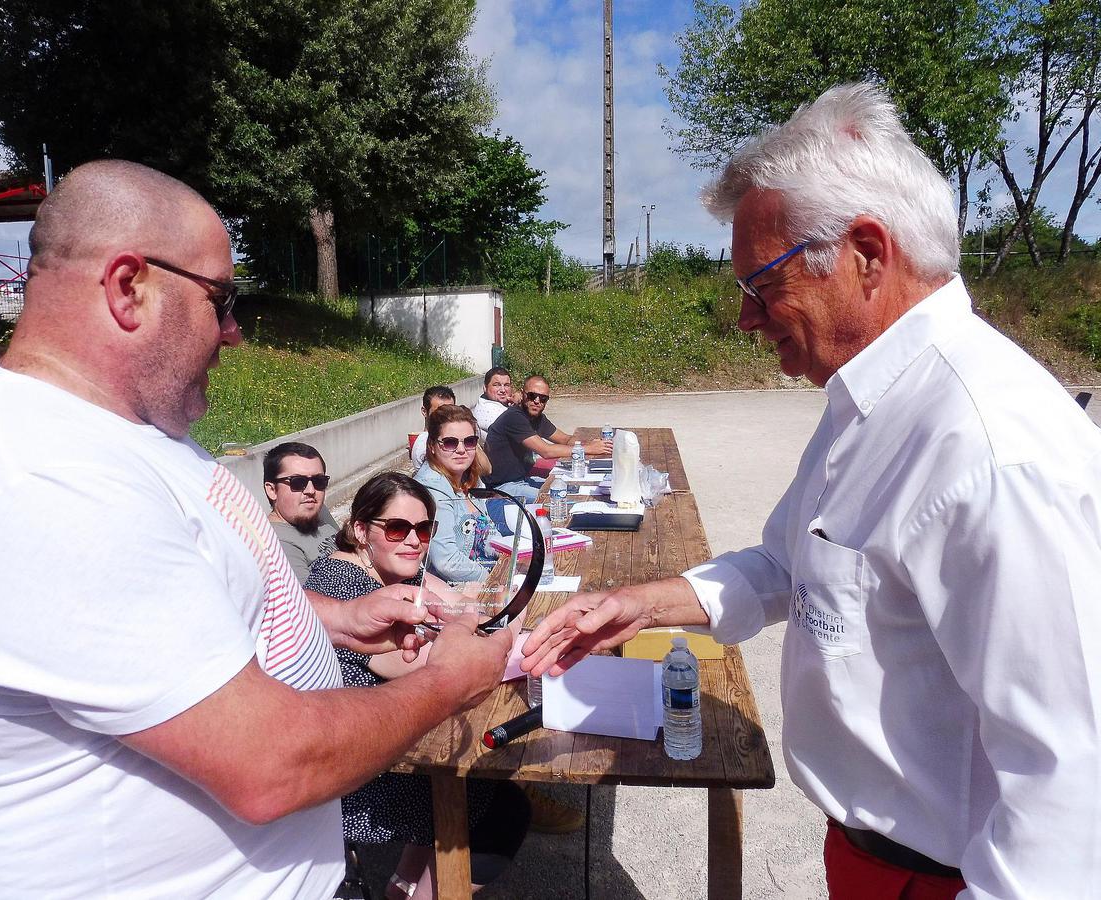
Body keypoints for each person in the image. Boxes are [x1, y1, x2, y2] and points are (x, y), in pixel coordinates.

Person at [522, 84, 1101, 899]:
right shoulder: (869, 400)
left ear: (867, 253)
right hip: (869, 858)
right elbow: (788, 563)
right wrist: (643, 604)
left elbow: (1071, 789)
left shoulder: (993, 451)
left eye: (762, 286)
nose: (747, 321)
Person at [0, 159, 512, 898]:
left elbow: (204, 592)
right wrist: (448, 683)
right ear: (129, 287)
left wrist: (343, 620)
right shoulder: (44, 481)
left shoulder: (123, 430)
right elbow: (270, 766)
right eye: (222, 300)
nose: (235, 333)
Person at [304, 473, 530, 900]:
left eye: (424, 529)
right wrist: (513, 623)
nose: (413, 540)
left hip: (387, 746)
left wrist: (475, 610)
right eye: (397, 528)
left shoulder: (389, 572)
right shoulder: (344, 584)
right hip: (358, 777)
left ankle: (402, 886)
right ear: (360, 530)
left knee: (473, 779)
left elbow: (464, 606)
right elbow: (440, 665)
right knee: (504, 808)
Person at [483, 375, 611, 502]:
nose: (537, 401)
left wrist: (596, 444)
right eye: (532, 396)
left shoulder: (537, 418)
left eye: (543, 398)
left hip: (522, 480)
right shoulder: (514, 418)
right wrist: (589, 449)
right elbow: (546, 451)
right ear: (522, 394)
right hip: (503, 487)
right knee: (563, 498)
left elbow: (565, 439)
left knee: (575, 488)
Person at [414, 405, 497, 584]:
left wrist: (516, 554)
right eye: (450, 442)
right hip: (448, 592)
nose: (461, 450)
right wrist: (494, 579)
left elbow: (488, 535)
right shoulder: (432, 490)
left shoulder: (469, 478)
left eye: (469, 442)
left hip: (479, 578)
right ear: (432, 446)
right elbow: (447, 562)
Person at [263, 441, 338, 583]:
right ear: (272, 490)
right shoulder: (277, 545)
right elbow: (312, 602)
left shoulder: (318, 511)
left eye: (319, 481)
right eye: (298, 482)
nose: (311, 491)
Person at [410, 385, 455, 468]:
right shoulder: (424, 445)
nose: (446, 416)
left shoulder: (459, 435)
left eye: (450, 411)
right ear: (424, 411)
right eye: (439, 412)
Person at [471, 366, 514, 442]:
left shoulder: (485, 401)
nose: (503, 390)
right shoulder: (489, 410)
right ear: (485, 388)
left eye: (506, 385)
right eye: (497, 385)